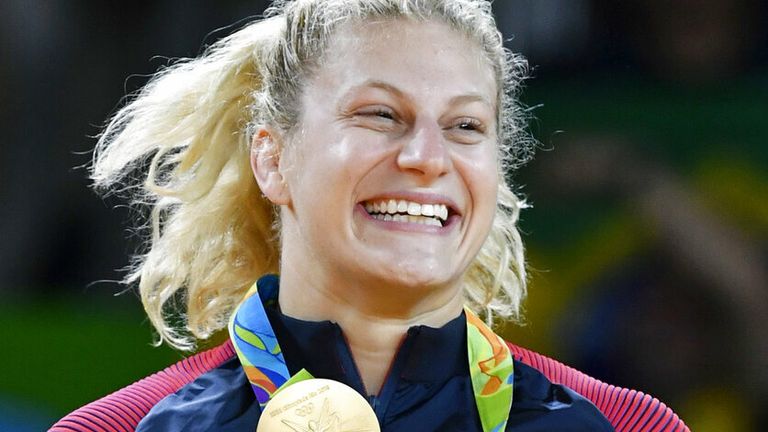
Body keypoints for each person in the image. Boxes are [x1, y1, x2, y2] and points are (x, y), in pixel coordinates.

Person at [51, 1, 688, 431]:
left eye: (465, 126)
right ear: (273, 160)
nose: (427, 158)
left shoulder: (628, 426)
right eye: (380, 115)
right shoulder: (118, 428)